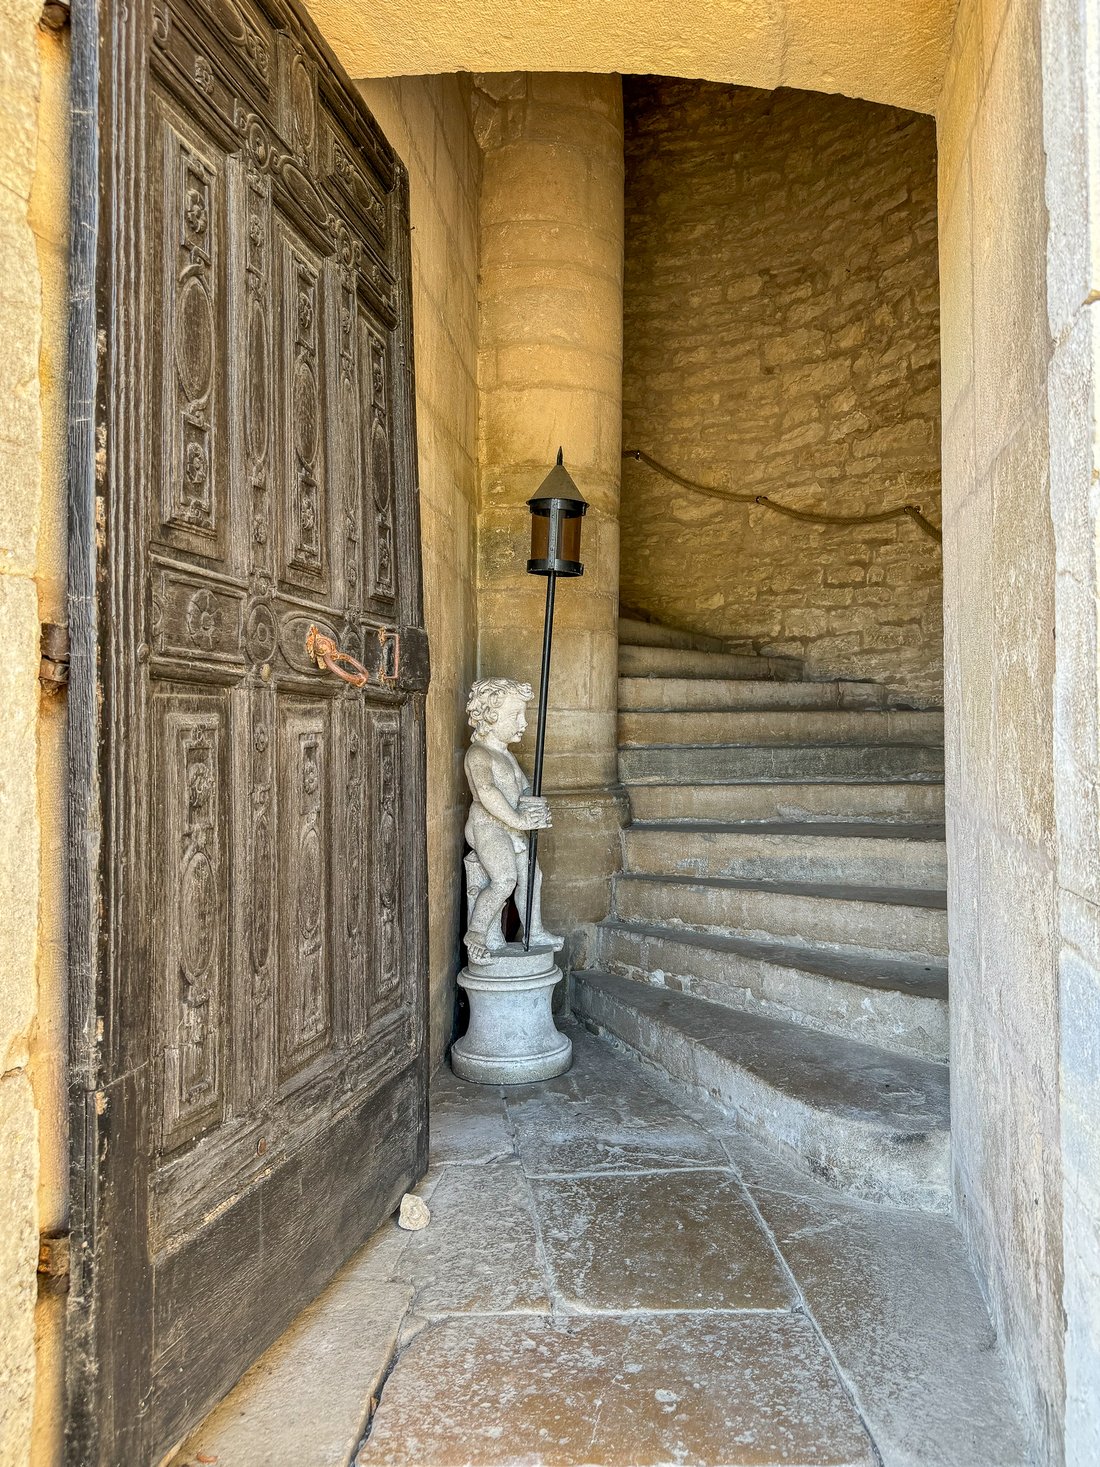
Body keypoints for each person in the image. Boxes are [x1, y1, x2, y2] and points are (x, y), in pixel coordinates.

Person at [463, 677, 563, 963]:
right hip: (488, 826)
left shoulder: (506, 756)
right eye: (515, 716)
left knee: (533, 877)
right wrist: (518, 820)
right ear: (491, 716)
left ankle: (534, 930)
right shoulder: (479, 754)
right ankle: (476, 934)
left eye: (524, 715)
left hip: (511, 826)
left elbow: (523, 788)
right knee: (504, 880)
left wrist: (535, 806)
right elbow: (487, 793)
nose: (523, 723)